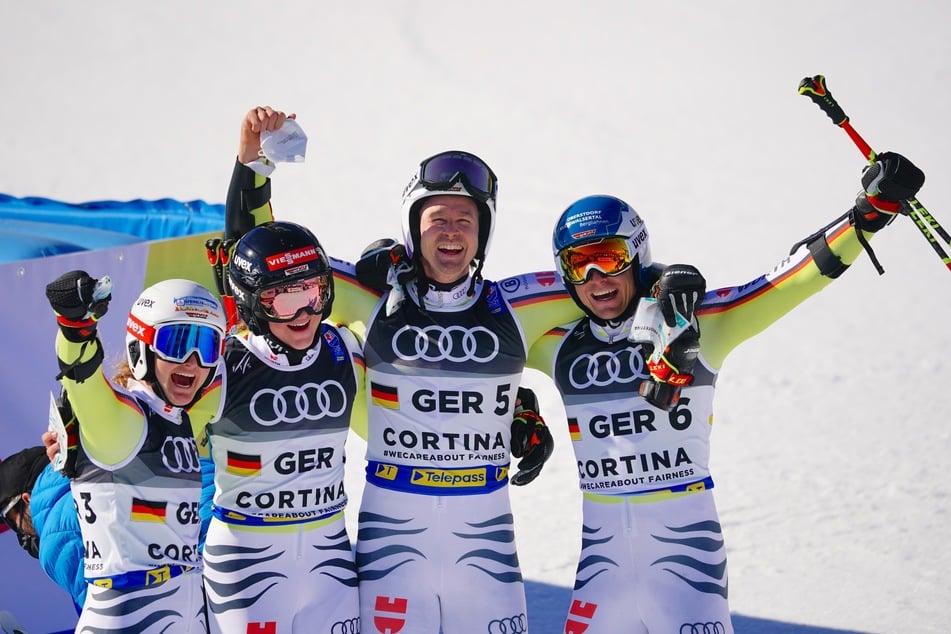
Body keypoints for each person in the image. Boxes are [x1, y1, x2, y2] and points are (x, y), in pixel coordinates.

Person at [525, 151, 925, 633]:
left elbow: (787, 282)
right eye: (579, 263)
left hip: (688, 569)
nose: (597, 278)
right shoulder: (558, 347)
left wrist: (869, 215)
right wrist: (514, 408)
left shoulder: (699, 325)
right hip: (601, 576)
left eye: (609, 257)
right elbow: (460, 358)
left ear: (637, 253)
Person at [225, 106, 576, 633]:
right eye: (437, 219)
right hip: (394, 550)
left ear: (484, 232)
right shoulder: (372, 296)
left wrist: (669, 281)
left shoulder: (516, 307)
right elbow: (261, 263)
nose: (452, 232)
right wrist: (252, 168)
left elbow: (612, 286)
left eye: (466, 220)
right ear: (415, 226)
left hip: (486, 554)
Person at [200, 219, 366, 634]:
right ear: (251, 301)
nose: (305, 313)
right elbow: (150, 407)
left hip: (330, 566)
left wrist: (515, 404)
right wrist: (72, 435)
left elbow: (422, 382)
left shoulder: (343, 350)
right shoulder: (222, 365)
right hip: (245, 571)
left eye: (311, 293)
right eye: (283, 301)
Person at [44, 272, 227, 633]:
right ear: (140, 348)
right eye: (177, 343)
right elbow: (83, 379)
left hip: (184, 611)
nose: (192, 361)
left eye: (205, 346)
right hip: (131, 618)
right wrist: (75, 327)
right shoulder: (123, 421)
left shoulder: (176, 415)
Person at [0, 444, 86, 613]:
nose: (20, 532)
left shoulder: (55, 543)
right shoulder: (91, 468)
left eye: (10, 521)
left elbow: (109, 613)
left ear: (26, 499)